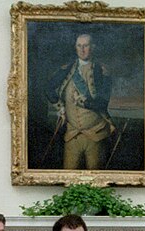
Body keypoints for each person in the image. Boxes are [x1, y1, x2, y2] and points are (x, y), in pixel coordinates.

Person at [46, 33, 114, 170]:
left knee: (96, 178)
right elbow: (48, 88)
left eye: (86, 46)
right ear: (75, 47)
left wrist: (82, 102)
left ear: (92, 47)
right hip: (71, 135)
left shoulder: (102, 72)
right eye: (79, 46)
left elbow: (102, 103)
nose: (82, 49)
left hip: (96, 134)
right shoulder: (66, 70)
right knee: (68, 176)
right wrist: (60, 108)